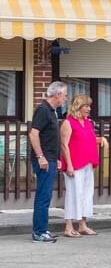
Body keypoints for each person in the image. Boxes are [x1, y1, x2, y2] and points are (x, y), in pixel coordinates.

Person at [59, 94, 109, 238]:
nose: (88, 109)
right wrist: (68, 165)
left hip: (87, 162)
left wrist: (101, 139)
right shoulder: (68, 123)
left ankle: (82, 225)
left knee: (87, 194)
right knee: (74, 193)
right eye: (86, 106)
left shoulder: (87, 122)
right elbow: (64, 145)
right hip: (74, 164)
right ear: (78, 107)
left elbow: (89, 139)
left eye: (89, 106)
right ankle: (68, 227)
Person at [28, 81, 68, 243]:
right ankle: (39, 232)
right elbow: (33, 134)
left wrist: (56, 158)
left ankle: (42, 229)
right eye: (64, 95)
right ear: (57, 95)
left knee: (46, 195)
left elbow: (51, 137)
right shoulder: (43, 110)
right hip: (44, 160)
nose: (65, 99)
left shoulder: (52, 111)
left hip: (50, 158)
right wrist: (40, 156)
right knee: (43, 196)